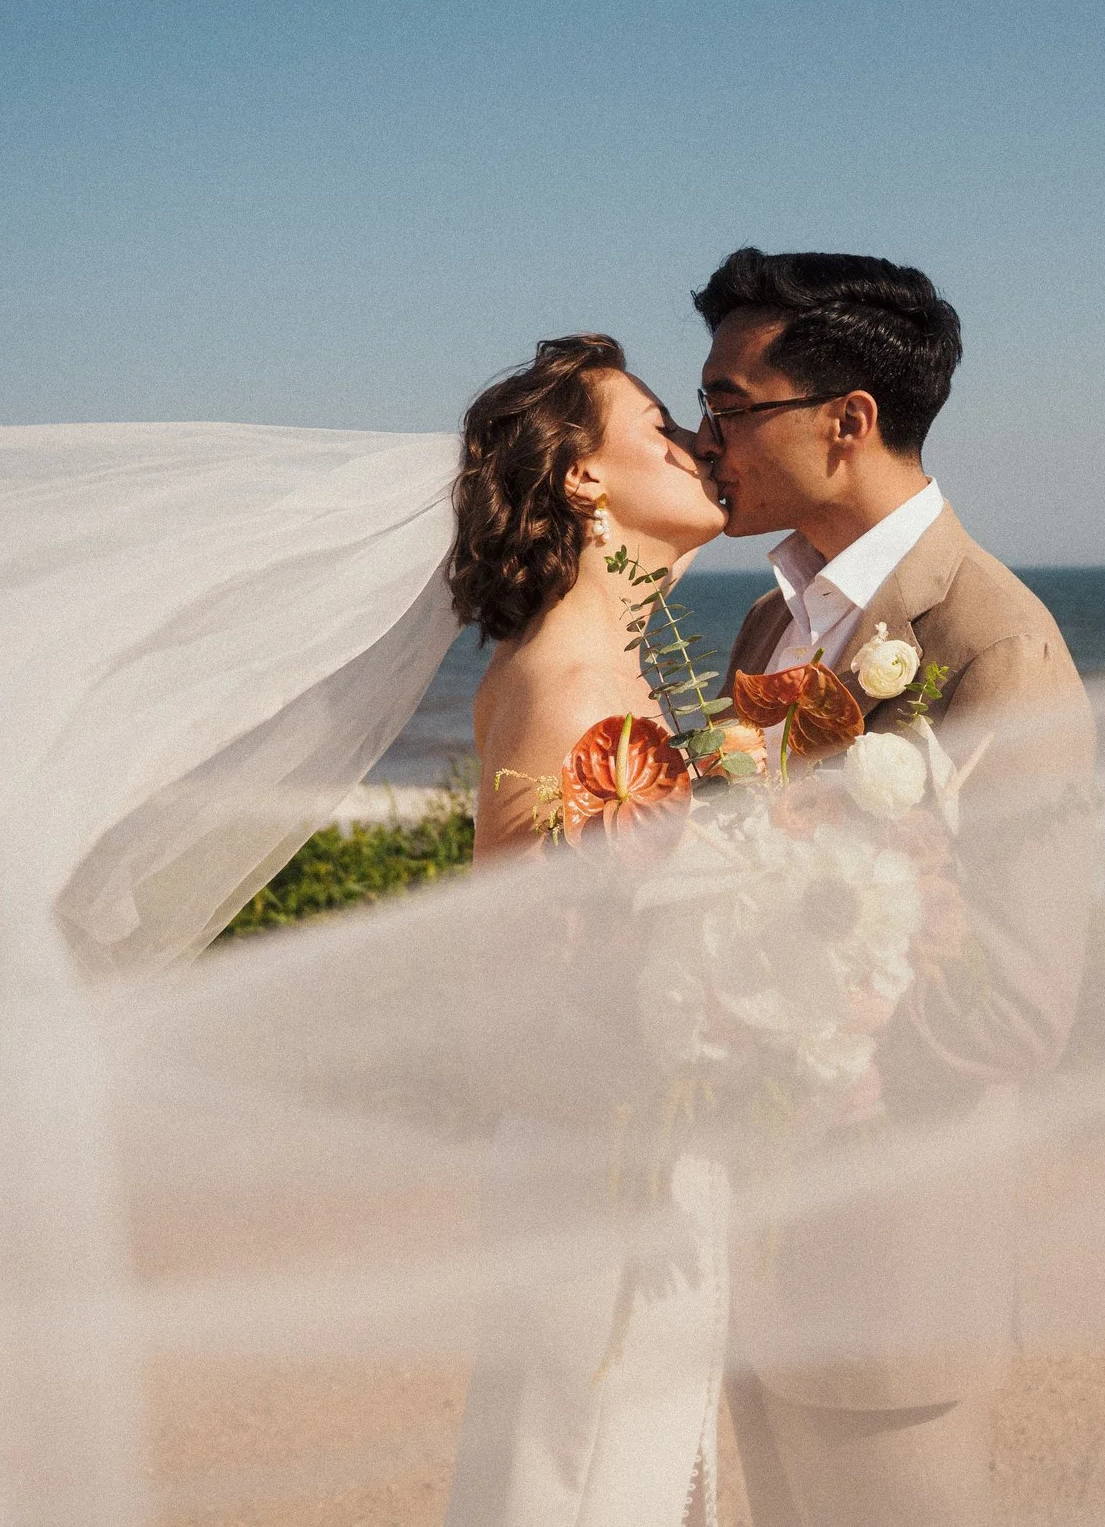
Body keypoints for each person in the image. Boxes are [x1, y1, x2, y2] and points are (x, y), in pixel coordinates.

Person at [689, 249, 1095, 1527]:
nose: (706, 442)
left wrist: (773, 1048)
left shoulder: (993, 641)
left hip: (889, 1273)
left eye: (729, 406)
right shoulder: (769, 625)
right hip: (751, 1250)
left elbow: (1019, 1002)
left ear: (847, 419)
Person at [440, 334, 736, 1527]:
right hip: (601, 1179)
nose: (700, 442)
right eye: (661, 424)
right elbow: (508, 1003)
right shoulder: (571, 687)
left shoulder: (612, 668)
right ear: (583, 479)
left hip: (633, 1160)